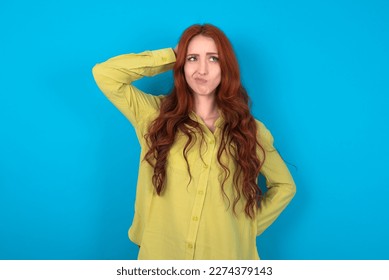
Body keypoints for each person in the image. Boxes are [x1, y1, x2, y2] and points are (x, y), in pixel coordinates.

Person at [92, 24, 296, 260]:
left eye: (213, 59)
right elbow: (105, 74)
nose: (202, 69)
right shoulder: (153, 116)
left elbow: (285, 187)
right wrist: (172, 55)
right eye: (192, 58)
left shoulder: (250, 130)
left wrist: (246, 228)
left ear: (225, 66)